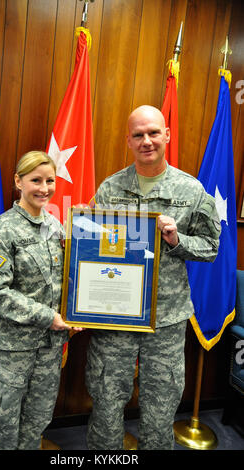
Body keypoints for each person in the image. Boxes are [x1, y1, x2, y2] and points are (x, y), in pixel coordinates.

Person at [85, 105, 221, 450]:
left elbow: (211, 247)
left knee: (160, 408)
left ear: (167, 135)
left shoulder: (191, 190)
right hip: (114, 314)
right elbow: (91, 248)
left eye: (153, 133)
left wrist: (176, 239)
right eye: (138, 135)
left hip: (166, 318)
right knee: (105, 401)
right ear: (128, 141)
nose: (147, 141)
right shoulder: (110, 189)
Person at [0, 150, 78, 450]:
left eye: (50, 180)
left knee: (34, 428)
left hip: (48, 351)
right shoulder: (1, 231)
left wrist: (78, 313)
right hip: (9, 353)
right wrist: (48, 316)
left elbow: (65, 280)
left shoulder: (55, 227)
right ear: (18, 181)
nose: (44, 188)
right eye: (36, 180)